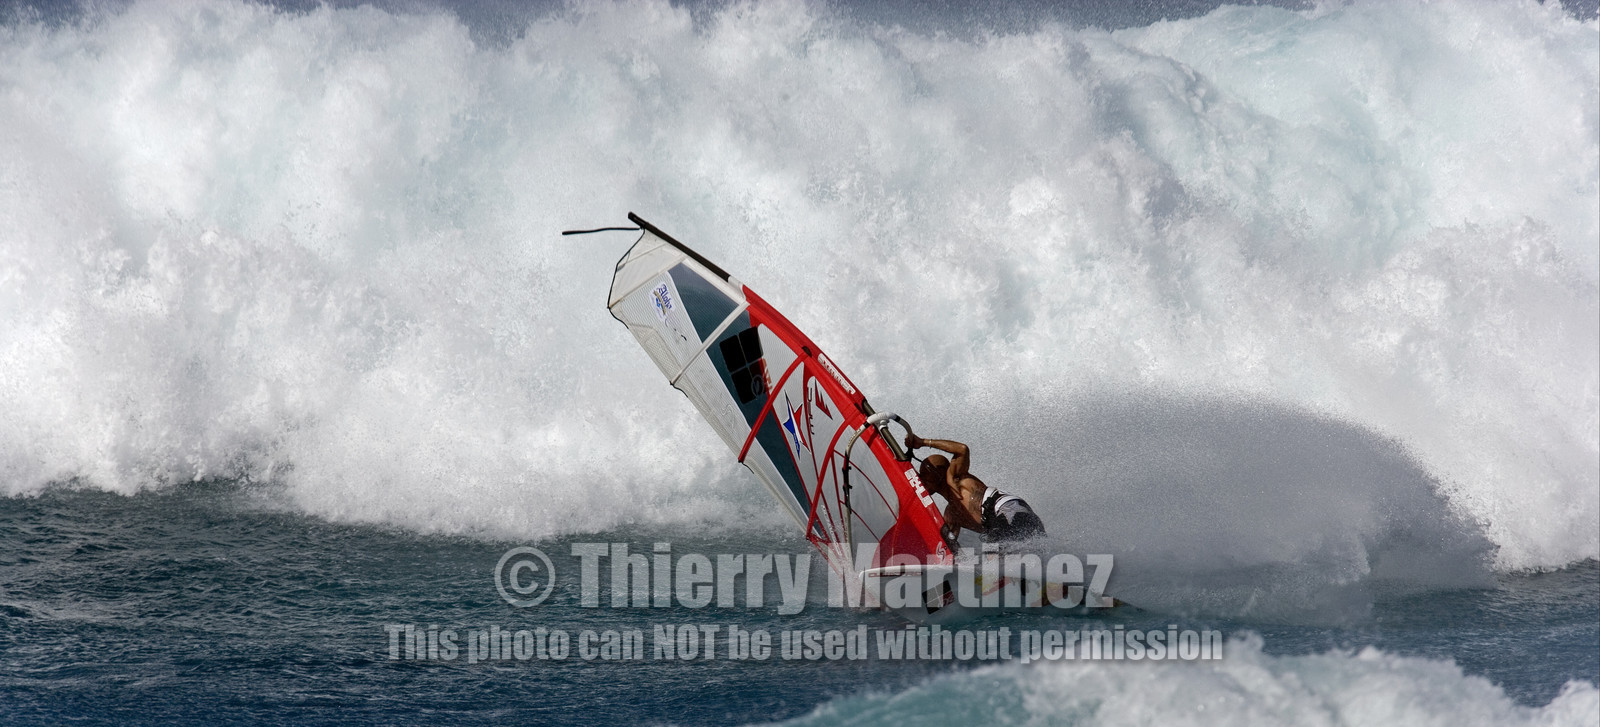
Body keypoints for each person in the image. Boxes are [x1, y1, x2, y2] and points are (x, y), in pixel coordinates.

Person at [903, 433, 1046, 544]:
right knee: (1032, 553)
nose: (920, 482)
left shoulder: (955, 478)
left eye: (923, 476)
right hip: (999, 524)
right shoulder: (951, 515)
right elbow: (949, 547)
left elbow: (962, 449)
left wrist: (922, 442)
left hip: (1007, 509)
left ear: (938, 475)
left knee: (998, 557)